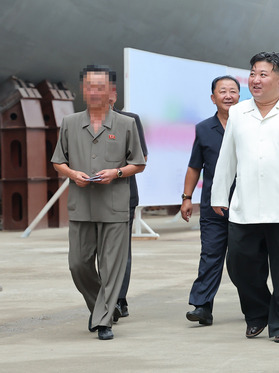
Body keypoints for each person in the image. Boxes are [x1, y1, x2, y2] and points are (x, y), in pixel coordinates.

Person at [211, 52, 279, 343]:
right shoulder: (239, 112)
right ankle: (258, 312)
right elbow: (227, 158)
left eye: (263, 74)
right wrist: (219, 193)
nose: (255, 80)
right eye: (252, 73)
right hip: (245, 204)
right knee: (239, 263)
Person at [51, 65, 146, 340]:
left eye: (100, 86)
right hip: (81, 204)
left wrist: (115, 173)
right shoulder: (69, 123)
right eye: (89, 86)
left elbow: (138, 163)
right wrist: (72, 174)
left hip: (115, 205)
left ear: (110, 91)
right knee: (78, 264)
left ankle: (103, 321)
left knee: (111, 266)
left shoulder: (126, 124)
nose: (94, 91)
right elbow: (58, 160)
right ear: (84, 90)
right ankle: (101, 308)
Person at [181, 76, 240, 326]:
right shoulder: (204, 128)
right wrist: (186, 198)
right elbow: (195, 166)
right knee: (211, 255)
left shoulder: (249, 125)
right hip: (213, 206)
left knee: (245, 259)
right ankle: (202, 305)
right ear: (213, 98)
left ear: (240, 96)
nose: (228, 96)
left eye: (233, 91)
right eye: (222, 91)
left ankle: (256, 304)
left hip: (246, 205)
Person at [108, 81, 149, 322]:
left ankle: (118, 299)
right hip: (89, 195)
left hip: (122, 194)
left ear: (114, 95)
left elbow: (141, 157)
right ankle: (104, 297)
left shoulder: (130, 120)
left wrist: (116, 172)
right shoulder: (78, 123)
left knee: (120, 250)